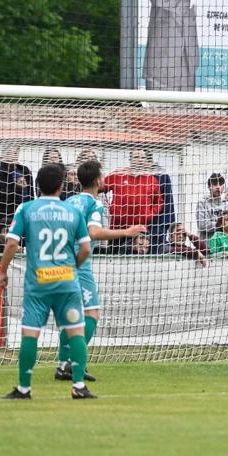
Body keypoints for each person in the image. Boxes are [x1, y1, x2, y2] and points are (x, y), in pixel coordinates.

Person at [0, 163, 94, 400]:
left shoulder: (26, 208)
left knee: (30, 334)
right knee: (76, 332)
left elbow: (11, 243)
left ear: (36, 185)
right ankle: (79, 386)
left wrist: (3, 271)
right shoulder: (73, 212)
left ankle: (24, 388)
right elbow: (85, 247)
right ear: (62, 186)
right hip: (67, 282)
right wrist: (74, 267)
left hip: (38, 284)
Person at [55, 160, 148, 381]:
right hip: (80, 264)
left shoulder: (69, 201)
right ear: (98, 180)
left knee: (71, 317)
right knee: (92, 314)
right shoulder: (94, 204)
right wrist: (127, 232)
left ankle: (62, 365)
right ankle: (72, 362)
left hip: (61, 262)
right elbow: (94, 232)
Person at [102, 148, 164, 252]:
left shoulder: (152, 180)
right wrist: (112, 209)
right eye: (136, 157)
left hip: (140, 230)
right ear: (130, 160)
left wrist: (149, 215)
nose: (139, 160)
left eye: (142, 158)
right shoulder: (118, 174)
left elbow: (159, 201)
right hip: (118, 228)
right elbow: (101, 188)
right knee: (115, 256)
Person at [0, 144, 34, 237]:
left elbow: (31, 193)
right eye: (10, 152)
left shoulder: (24, 170)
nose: (13, 155)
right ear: (4, 154)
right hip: (7, 215)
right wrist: (17, 188)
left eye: (15, 152)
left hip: (24, 212)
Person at [196, 172, 228, 240]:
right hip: (207, 246)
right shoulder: (202, 203)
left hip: (225, 246)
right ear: (209, 187)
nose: (218, 187)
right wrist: (223, 224)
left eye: (220, 184)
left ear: (223, 188)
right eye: (215, 184)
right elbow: (202, 225)